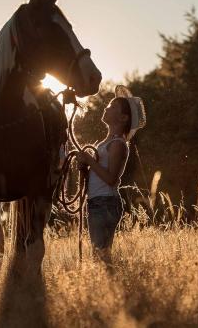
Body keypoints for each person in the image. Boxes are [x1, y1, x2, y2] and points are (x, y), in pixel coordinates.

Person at [76, 85, 146, 264]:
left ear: (123, 118)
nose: (107, 107)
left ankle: (109, 288)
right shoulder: (106, 143)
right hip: (98, 202)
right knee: (99, 255)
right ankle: (106, 288)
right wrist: (85, 164)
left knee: (101, 257)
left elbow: (111, 179)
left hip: (105, 203)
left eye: (112, 107)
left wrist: (90, 161)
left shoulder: (118, 145)